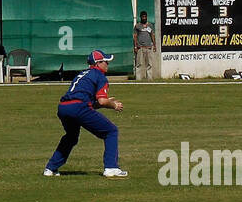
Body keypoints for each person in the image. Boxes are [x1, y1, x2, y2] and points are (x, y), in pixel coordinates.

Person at [44, 50, 127, 178]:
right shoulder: (100, 76)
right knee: (111, 131)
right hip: (78, 107)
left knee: (71, 137)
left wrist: (103, 103)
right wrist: (113, 105)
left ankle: (50, 168)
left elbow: (89, 103)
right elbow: (102, 101)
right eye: (106, 62)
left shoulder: (82, 74)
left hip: (63, 107)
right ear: (98, 63)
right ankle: (111, 167)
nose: (107, 65)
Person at [134, 11, 157, 80]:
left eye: (145, 16)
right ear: (140, 17)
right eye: (143, 17)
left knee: (149, 64)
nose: (144, 18)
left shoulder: (150, 25)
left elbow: (152, 35)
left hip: (149, 47)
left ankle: (149, 79)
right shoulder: (137, 26)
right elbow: (135, 36)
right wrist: (135, 46)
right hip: (140, 47)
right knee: (139, 64)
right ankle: (138, 79)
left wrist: (154, 45)